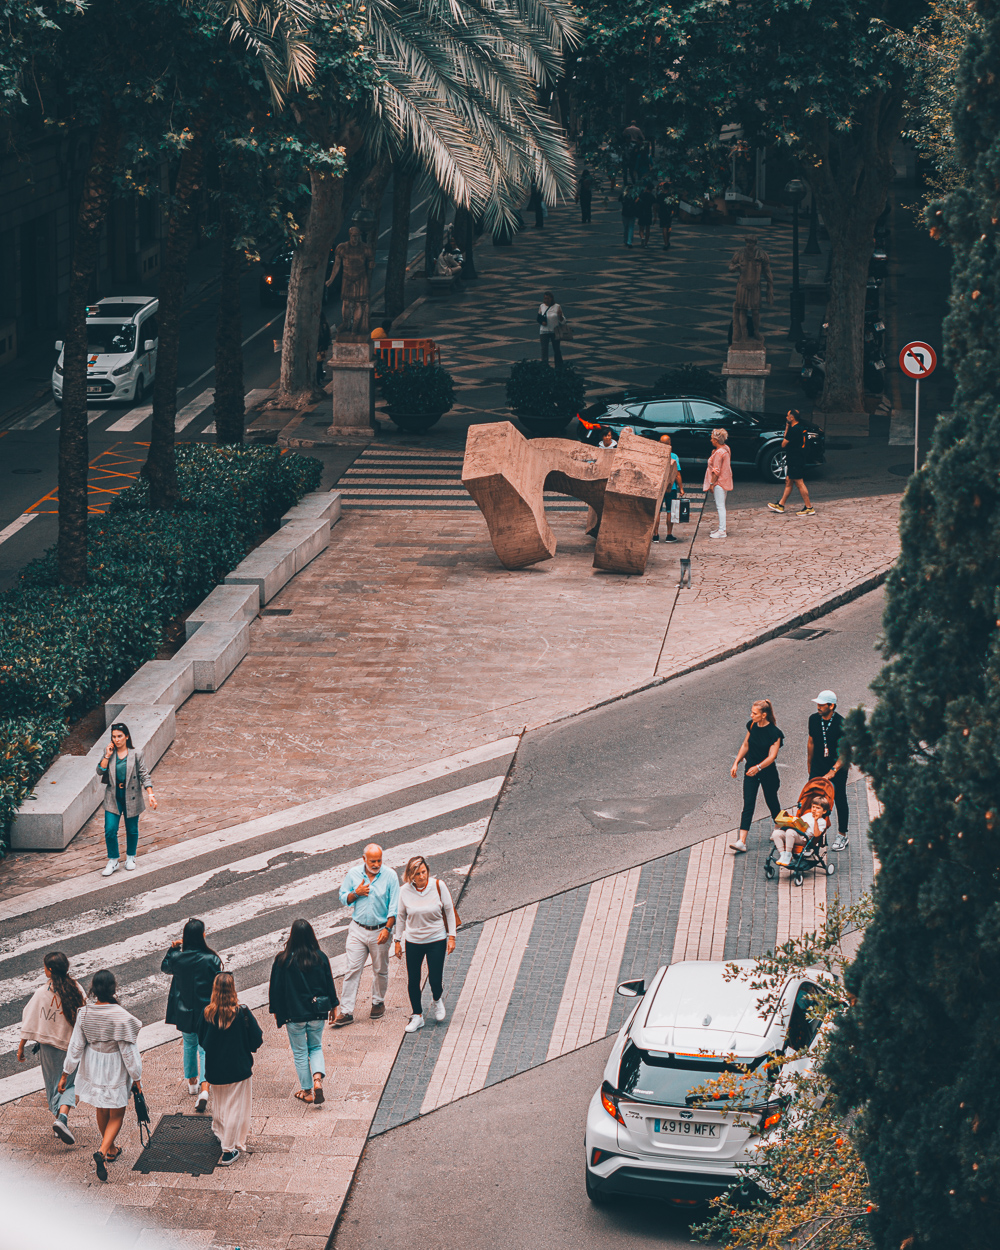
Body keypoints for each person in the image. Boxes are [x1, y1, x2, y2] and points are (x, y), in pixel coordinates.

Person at [59, 969, 142, 1183]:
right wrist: (137, 1077)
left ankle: (112, 1148)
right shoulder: (122, 1017)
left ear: (93, 990)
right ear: (114, 988)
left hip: (93, 1064)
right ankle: (104, 1150)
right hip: (114, 1065)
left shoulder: (84, 1013)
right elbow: (128, 1052)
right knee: (117, 1112)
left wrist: (65, 1073)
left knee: (101, 1107)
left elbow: (76, 1046)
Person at [17, 952, 85, 1145]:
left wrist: (21, 1046)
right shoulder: (76, 988)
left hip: (48, 1047)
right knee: (70, 1083)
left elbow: (29, 1018)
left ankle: (61, 1119)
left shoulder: (41, 992)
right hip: (70, 1046)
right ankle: (61, 1119)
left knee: (53, 1084)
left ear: (50, 970)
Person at [268, 919, 339, 1104]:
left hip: (294, 1015)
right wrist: (334, 1006)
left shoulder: (282, 960)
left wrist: (276, 1010)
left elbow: (275, 989)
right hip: (317, 1013)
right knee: (315, 1047)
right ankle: (317, 1080)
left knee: (300, 1052)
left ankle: (307, 1091)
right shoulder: (320, 957)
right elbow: (329, 984)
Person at [197, 973, 263, 1166]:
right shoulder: (241, 1012)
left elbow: (202, 1040)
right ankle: (228, 1150)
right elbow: (257, 1038)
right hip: (238, 1067)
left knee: (220, 1102)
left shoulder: (207, 1013)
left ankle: (219, 1130)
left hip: (215, 1069)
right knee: (234, 1107)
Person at [162, 918, 223, 1113]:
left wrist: (172, 949)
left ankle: (192, 1083)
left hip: (184, 1010)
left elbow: (165, 967)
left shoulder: (177, 958)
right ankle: (205, 1087)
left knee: (189, 1045)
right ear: (203, 935)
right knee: (205, 1048)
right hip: (206, 1010)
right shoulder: (211, 959)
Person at [335, 843, 399, 1028]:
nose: (376, 864)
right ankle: (346, 1011)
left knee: (380, 969)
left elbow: (394, 906)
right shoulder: (353, 874)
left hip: (380, 930)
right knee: (352, 969)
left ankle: (378, 1001)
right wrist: (356, 893)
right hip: (357, 929)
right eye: (373, 861)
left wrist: (387, 929)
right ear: (364, 859)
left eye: (379, 860)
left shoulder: (390, 876)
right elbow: (343, 896)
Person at [394, 856, 457, 1034]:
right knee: (413, 979)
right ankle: (417, 1015)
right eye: (417, 874)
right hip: (414, 941)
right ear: (410, 875)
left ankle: (437, 1000)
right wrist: (397, 941)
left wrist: (451, 936)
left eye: (424, 872)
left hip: (436, 939)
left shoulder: (438, 886)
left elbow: (449, 911)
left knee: (435, 979)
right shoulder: (404, 891)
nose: (422, 876)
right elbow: (400, 916)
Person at [97, 722, 157, 877]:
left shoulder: (136, 753)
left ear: (126, 736)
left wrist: (150, 793)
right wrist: (107, 755)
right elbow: (99, 770)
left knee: (132, 830)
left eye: (119, 736)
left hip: (131, 795)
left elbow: (144, 773)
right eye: (114, 737)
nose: (117, 739)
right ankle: (113, 860)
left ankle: (131, 857)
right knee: (110, 830)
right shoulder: (109, 753)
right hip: (113, 796)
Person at [729, 699, 784, 853]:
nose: (751, 715)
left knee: (772, 801)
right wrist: (736, 762)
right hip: (750, 770)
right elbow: (745, 744)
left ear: (764, 715)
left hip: (767, 772)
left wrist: (758, 767)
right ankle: (742, 841)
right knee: (748, 804)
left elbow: (772, 756)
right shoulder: (752, 725)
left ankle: (778, 827)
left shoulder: (775, 733)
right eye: (752, 712)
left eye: (754, 713)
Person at [807, 691, 850, 850]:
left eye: (821, 704)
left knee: (839, 798)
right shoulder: (813, 719)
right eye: (817, 704)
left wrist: (833, 770)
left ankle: (842, 835)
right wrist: (809, 762)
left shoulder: (842, 724)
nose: (818, 707)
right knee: (815, 799)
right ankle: (815, 835)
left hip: (837, 767)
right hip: (818, 765)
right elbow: (811, 742)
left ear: (831, 706)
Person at [767, 409, 815, 515]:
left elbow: (783, 444)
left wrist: (788, 428)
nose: (786, 417)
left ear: (792, 417)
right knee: (788, 481)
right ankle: (781, 505)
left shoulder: (794, 430)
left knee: (799, 483)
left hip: (795, 460)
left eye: (787, 415)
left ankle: (809, 507)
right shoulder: (799, 427)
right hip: (796, 458)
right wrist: (788, 426)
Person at [771, 796, 830, 867]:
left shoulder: (822, 822)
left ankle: (788, 854)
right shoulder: (808, 815)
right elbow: (799, 822)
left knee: (790, 832)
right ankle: (782, 854)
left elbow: (817, 835)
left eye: (818, 808)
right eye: (813, 807)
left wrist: (815, 821)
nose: (814, 809)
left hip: (803, 838)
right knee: (776, 833)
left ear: (824, 811)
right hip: (795, 833)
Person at [653, 434, 684, 542]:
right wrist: (681, 488)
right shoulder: (674, 456)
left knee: (657, 511)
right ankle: (669, 535)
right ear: (670, 443)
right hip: (672, 488)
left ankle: (655, 535)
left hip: (658, 488)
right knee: (670, 511)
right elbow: (677, 474)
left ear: (660, 443)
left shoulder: (655, 456)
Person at [703, 428, 733, 538]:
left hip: (719, 483)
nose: (711, 440)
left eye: (712, 439)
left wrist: (711, 484)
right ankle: (721, 528)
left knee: (720, 506)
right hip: (725, 480)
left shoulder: (719, 453)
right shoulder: (725, 448)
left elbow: (716, 470)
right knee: (722, 505)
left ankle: (722, 531)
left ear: (716, 440)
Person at [538, 291, 565, 367]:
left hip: (554, 331)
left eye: (547, 298)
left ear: (551, 299)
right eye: (545, 298)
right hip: (544, 331)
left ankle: (559, 366)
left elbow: (563, 321)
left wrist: (560, 316)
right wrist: (542, 322)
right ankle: (544, 366)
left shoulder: (557, 306)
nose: (545, 300)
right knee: (544, 350)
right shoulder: (542, 306)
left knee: (556, 350)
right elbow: (538, 318)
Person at [635, 182, 655, 247]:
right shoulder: (652, 196)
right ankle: (646, 243)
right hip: (648, 212)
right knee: (648, 229)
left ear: (646, 187)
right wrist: (655, 216)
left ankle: (642, 237)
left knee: (641, 228)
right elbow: (654, 206)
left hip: (642, 212)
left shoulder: (642, 194)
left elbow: (636, 201)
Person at [655, 184, 675, 249]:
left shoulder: (660, 195)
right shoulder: (670, 195)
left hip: (662, 212)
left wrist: (656, 213)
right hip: (669, 212)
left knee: (664, 227)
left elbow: (657, 204)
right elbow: (674, 204)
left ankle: (665, 243)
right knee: (669, 226)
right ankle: (668, 241)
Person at [316, 312, 331, 386]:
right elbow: (326, 337)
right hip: (321, 348)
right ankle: (319, 379)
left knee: (317, 365)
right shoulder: (324, 325)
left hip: (318, 348)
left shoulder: (319, 326)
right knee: (319, 364)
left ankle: (318, 379)